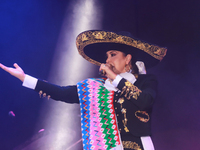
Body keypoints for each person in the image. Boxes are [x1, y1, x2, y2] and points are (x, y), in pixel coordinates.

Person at [0, 30, 167, 150]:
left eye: (113, 54)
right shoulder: (95, 87)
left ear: (127, 59)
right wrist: (24, 78)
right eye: (107, 56)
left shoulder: (145, 81)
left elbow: (145, 101)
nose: (107, 60)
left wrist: (116, 79)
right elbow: (62, 92)